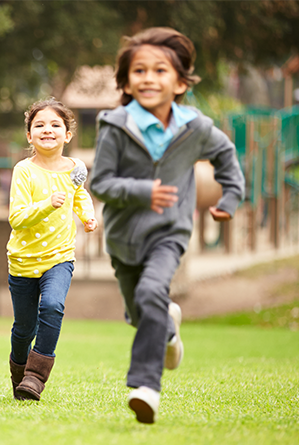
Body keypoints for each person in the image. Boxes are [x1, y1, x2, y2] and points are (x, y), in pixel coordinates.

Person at [89, 27, 245, 423]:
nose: (148, 78)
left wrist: (229, 198)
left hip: (169, 233)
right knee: (140, 311)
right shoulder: (116, 125)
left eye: (160, 71)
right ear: (126, 81)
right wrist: (143, 191)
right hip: (123, 237)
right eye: (139, 71)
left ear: (179, 82)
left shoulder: (195, 128)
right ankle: (169, 332)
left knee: (152, 291)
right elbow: (101, 183)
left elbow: (227, 158)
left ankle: (146, 387)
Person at [7, 98, 98, 401]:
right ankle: (19, 373)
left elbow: (80, 195)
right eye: (40, 125)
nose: (48, 130)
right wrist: (47, 205)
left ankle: (35, 377)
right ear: (29, 135)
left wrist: (88, 215)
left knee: (52, 307)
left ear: (68, 134)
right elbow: (17, 218)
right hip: (23, 261)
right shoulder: (24, 171)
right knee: (23, 328)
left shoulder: (76, 168)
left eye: (56, 124)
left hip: (59, 257)